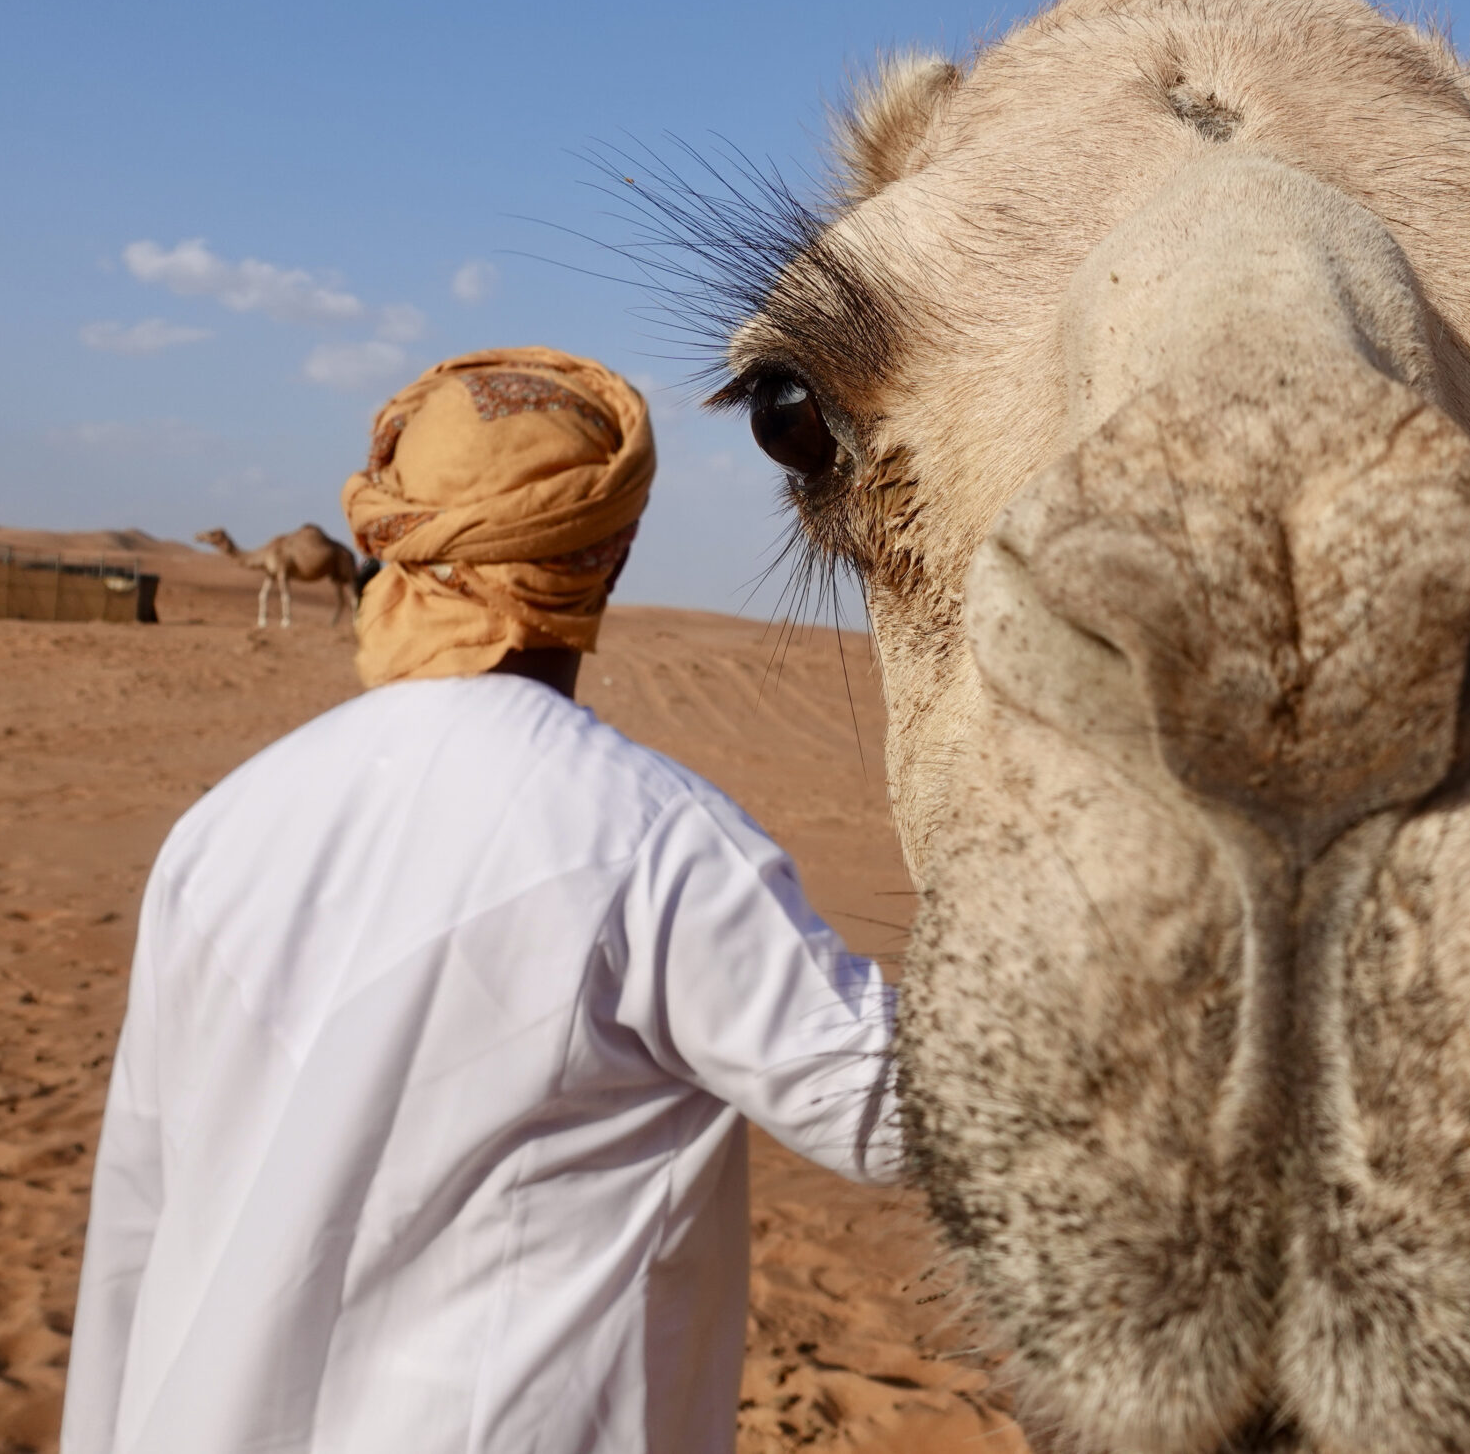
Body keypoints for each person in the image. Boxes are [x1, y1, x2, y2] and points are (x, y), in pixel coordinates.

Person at [62, 348, 898, 1454]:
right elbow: (888, 1113)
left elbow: (134, 1216)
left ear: (393, 534)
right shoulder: (653, 843)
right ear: (613, 549)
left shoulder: (220, 830)